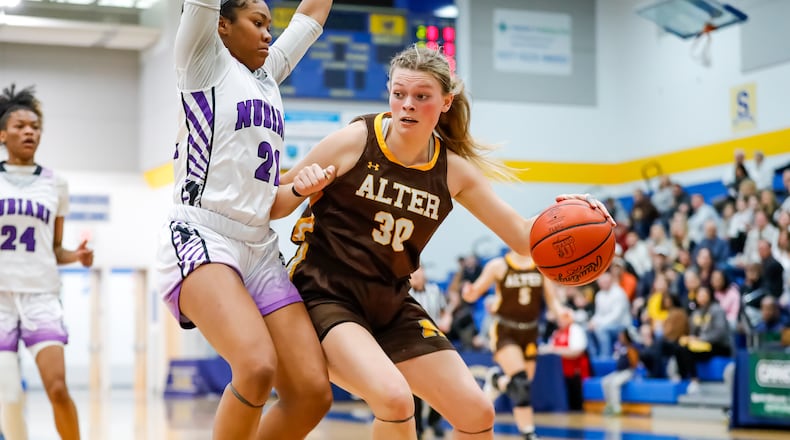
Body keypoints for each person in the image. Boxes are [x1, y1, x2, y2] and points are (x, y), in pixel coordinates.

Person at [281, 46, 614, 439]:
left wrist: (582, 212)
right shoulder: (356, 139)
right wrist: (298, 187)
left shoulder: (453, 171)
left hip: (389, 302)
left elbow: (525, 239)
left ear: (445, 102)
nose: (407, 105)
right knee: (395, 400)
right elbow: (274, 200)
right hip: (326, 295)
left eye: (421, 96)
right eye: (398, 93)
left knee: (477, 414)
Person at [154, 1, 335, 439]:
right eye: (257, 23)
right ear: (220, 24)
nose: (268, 34)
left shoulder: (267, 74)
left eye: (270, 26)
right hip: (201, 233)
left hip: (258, 245)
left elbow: (312, 15)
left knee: (312, 391)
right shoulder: (202, 59)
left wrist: (300, 189)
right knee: (255, 367)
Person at [0, 84, 94, 440]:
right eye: (21, 125)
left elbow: (54, 249)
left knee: (57, 388)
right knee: (8, 394)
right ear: (2, 134)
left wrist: (78, 255)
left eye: (35, 126)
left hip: (41, 295)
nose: (29, 131)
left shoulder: (56, 184)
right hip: (1, 298)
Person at [461, 250, 560, 440]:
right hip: (505, 329)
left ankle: (497, 380)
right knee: (520, 382)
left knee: (523, 386)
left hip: (530, 331)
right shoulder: (498, 265)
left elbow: (553, 301)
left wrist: (562, 313)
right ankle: (528, 432)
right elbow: (474, 293)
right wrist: (469, 292)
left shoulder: (541, 265)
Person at [408, 265, 447, 439]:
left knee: (440, 386)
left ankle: (434, 420)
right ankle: (417, 427)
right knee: (414, 389)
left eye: (418, 272)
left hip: (435, 343)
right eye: (412, 273)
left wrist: (447, 320)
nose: (416, 276)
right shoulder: (405, 293)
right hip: (411, 344)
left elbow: (445, 311)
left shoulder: (435, 291)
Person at [540, 308, 590, 411]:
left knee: (576, 403)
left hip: (575, 372)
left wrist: (555, 350)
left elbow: (576, 351)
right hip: (560, 374)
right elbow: (550, 348)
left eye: (564, 318)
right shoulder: (557, 332)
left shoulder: (575, 330)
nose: (560, 321)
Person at [601, 328, 640, 416]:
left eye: (622, 336)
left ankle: (616, 407)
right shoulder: (620, 347)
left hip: (628, 371)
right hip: (619, 371)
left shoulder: (631, 348)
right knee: (605, 381)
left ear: (627, 337)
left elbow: (634, 364)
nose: (620, 337)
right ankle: (609, 405)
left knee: (615, 383)